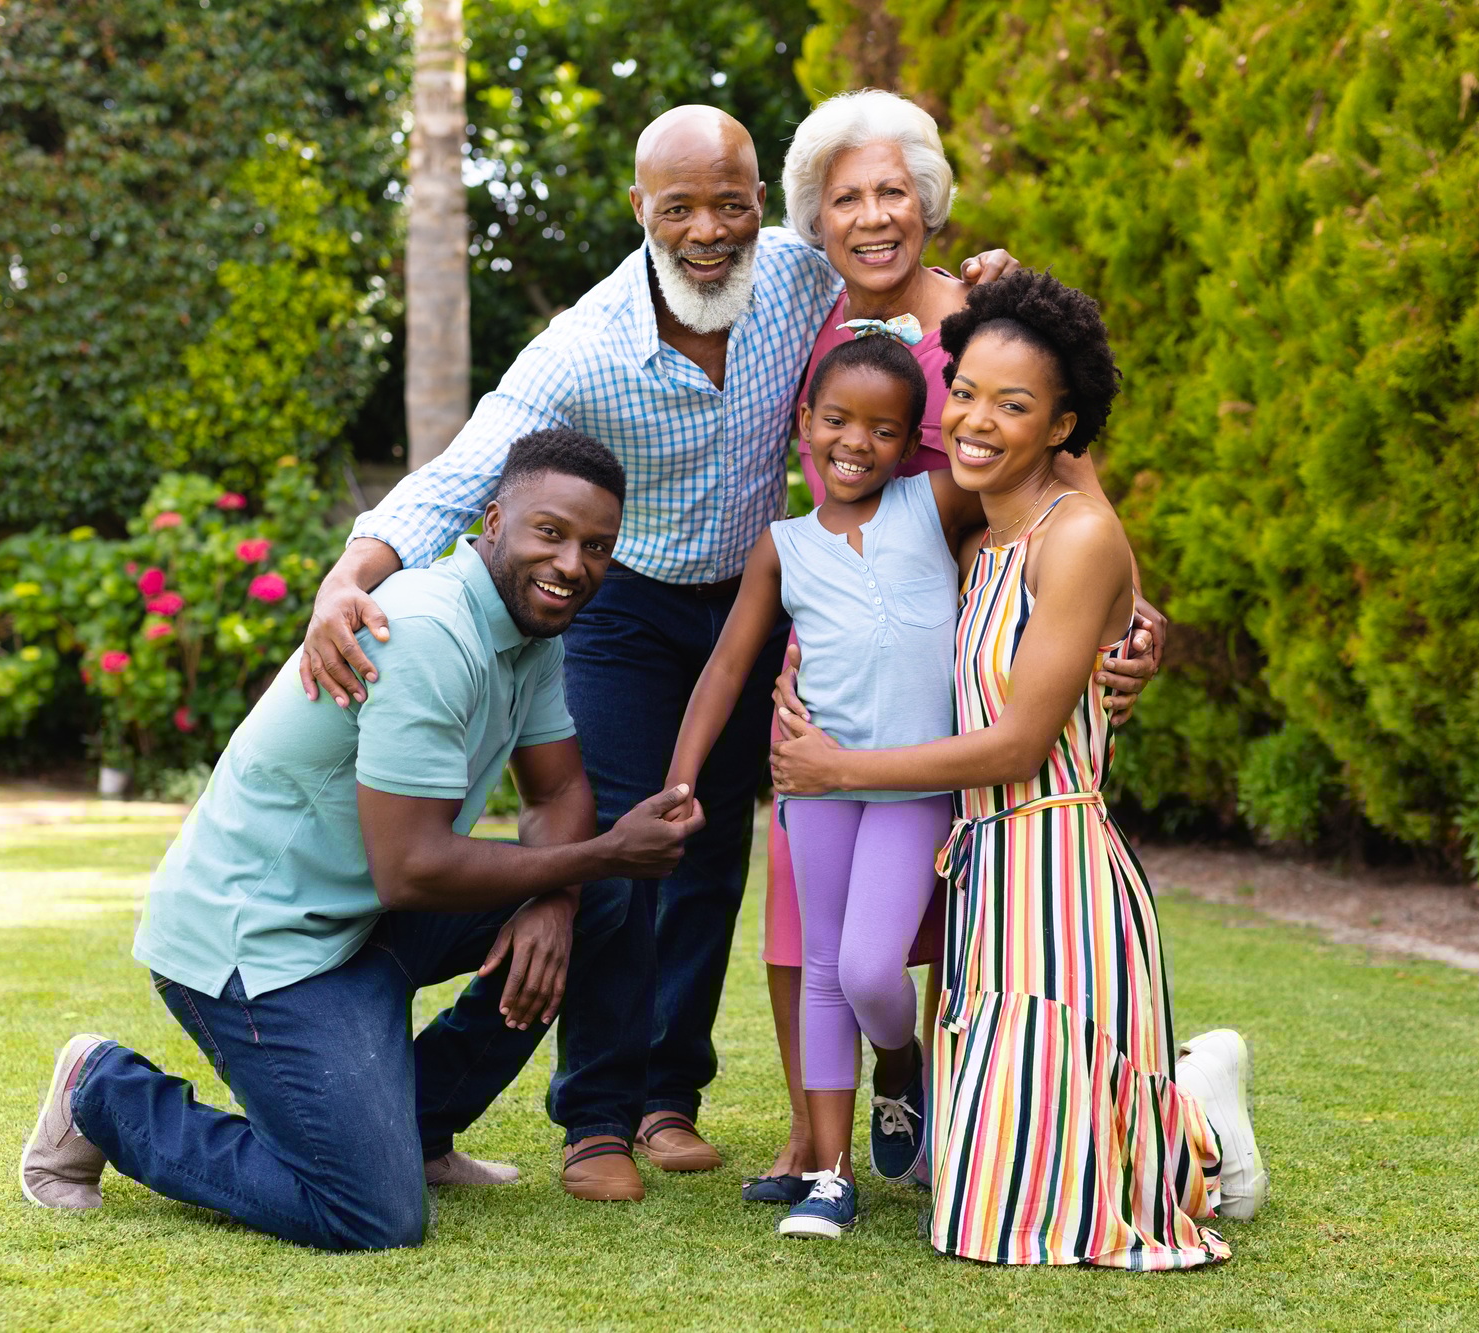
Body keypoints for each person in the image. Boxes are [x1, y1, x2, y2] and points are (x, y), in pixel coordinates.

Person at [292, 104, 1083, 1203]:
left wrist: (987, 276)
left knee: (710, 855)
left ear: (762, 200)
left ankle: (670, 1098)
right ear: (638, 212)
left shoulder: (801, 278)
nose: (709, 229)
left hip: (758, 598)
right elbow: (470, 463)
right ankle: (598, 1118)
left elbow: (902, 284)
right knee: (622, 843)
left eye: (731, 203)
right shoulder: (587, 340)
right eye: (680, 209)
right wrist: (353, 571)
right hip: (630, 610)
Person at [18, 431, 705, 1249]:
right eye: (549, 533)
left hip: (358, 916)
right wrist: (598, 856)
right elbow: (412, 867)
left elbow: (556, 790)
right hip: (261, 941)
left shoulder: (532, 637)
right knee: (372, 1213)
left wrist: (558, 898)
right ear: (493, 520)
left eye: (597, 546)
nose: (572, 564)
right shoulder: (426, 633)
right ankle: (102, 1089)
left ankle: (414, 1127)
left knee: (598, 899)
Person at [771, 272, 1267, 1267]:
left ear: (1062, 425)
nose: (976, 420)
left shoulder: (1075, 537)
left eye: (1014, 404)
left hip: (1063, 883)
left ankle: (1202, 1119)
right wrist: (802, 663)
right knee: (966, 1202)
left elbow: (1015, 745)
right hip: (982, 883)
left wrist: (835, 768)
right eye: (965, 392)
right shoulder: (970, 540)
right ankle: (1178, 1095)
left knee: (1018, 1225)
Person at [749, 88, 1169, 1201]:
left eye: (893, 190)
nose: (873, 215)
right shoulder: (802, 322)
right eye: (846, 197)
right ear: (816, 216)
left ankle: (954, 1085)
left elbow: (1077, 489)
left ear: (929, 203)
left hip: (964, 649)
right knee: (800, 913)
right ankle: (810, 1137)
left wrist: (1133, 613)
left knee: (920, 912)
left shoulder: (982, 318)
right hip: (841, 653)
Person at [667, 330, 968, 1237]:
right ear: (805, 422)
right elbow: (725, 668)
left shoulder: (935, 502)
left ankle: (901, 1063)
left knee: (877, 969)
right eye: (837, 419)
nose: (855, 442)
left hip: (915, 783)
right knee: (826, 971)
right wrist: (682, 779)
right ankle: (832, 1173)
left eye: (883, 428)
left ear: (912, 440)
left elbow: (1039, 445)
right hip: (814, 787)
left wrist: (994, 295)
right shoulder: (782, 546)